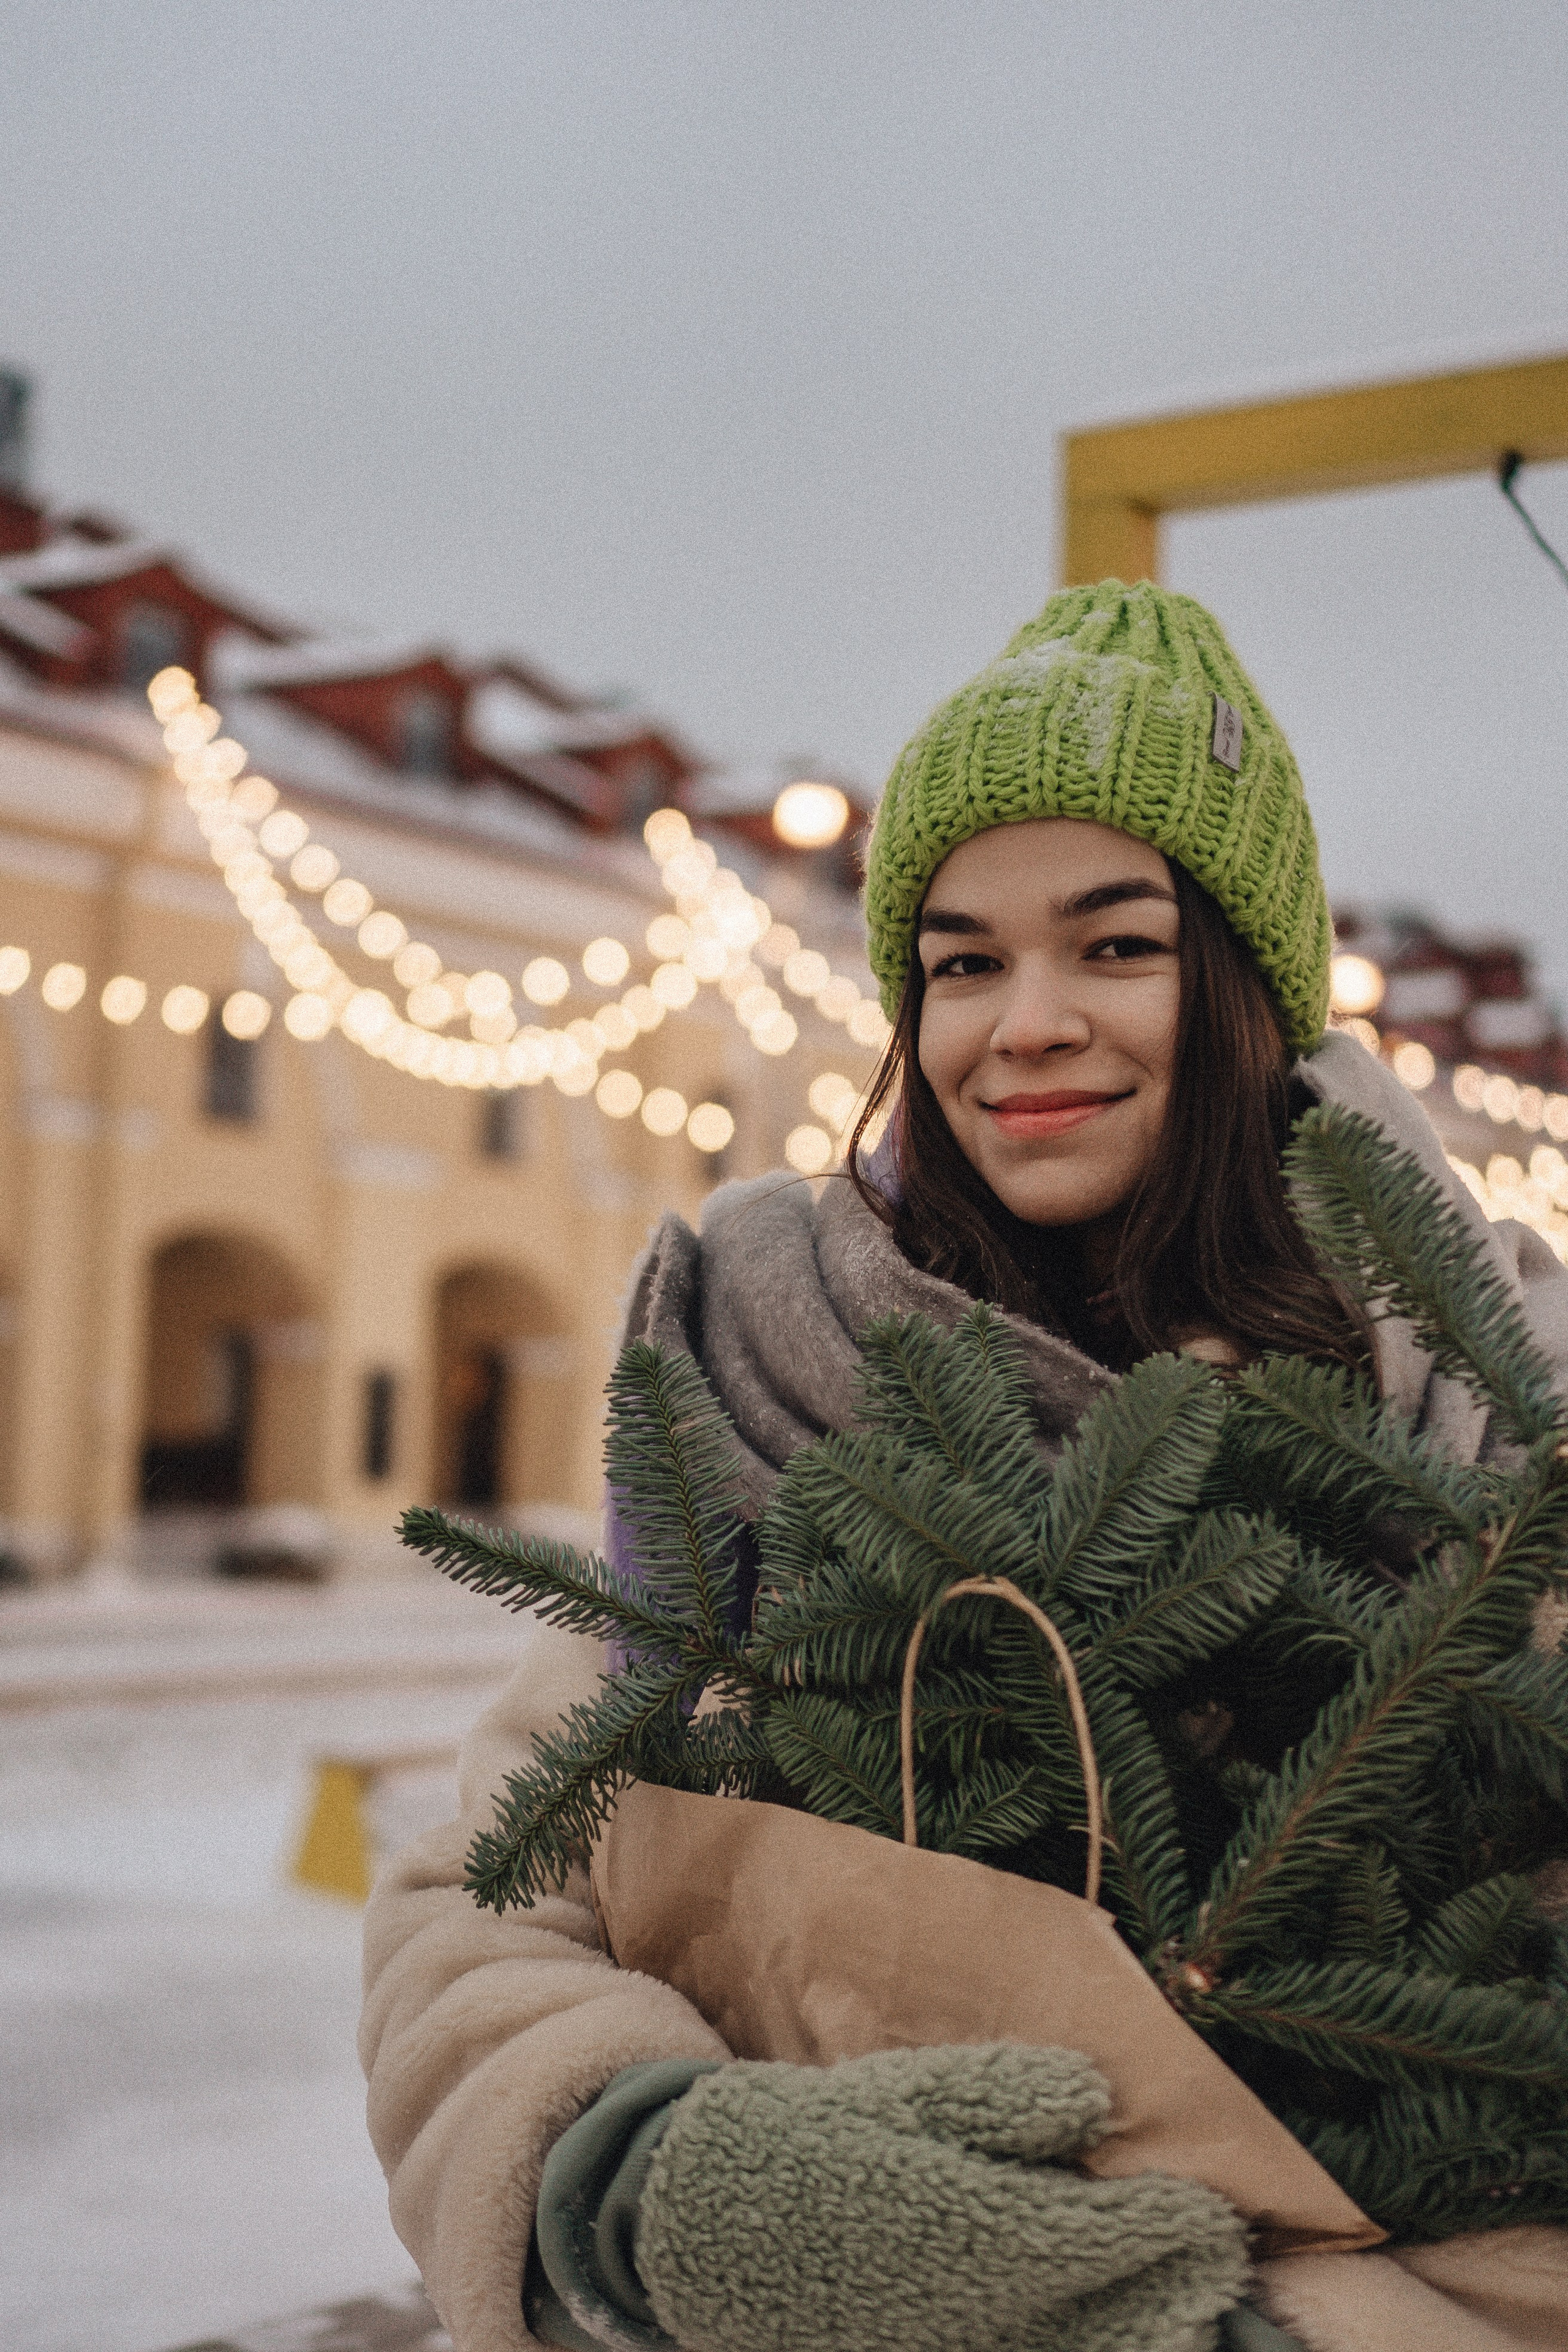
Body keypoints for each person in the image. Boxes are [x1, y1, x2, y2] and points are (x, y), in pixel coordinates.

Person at [361, 581, 1568, 2352]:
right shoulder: (762, 1383)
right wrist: (643, 2176)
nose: (1027, 1025)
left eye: (1116, 944)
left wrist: (1222, 2334)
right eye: (963, 961)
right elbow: (483, 1908)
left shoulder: (1495, 1449)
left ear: (1245, 988)